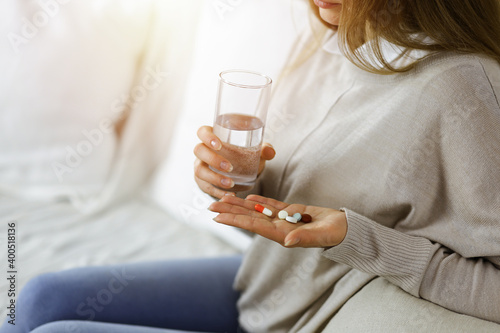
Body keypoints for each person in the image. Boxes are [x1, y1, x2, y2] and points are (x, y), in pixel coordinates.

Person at [3, 0, 500, 332]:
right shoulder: (331, 41)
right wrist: (239, 183)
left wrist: (354, 236)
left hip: (309, 318)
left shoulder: (464, 89)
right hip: (260, 290)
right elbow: (295, 211)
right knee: (42, 296)